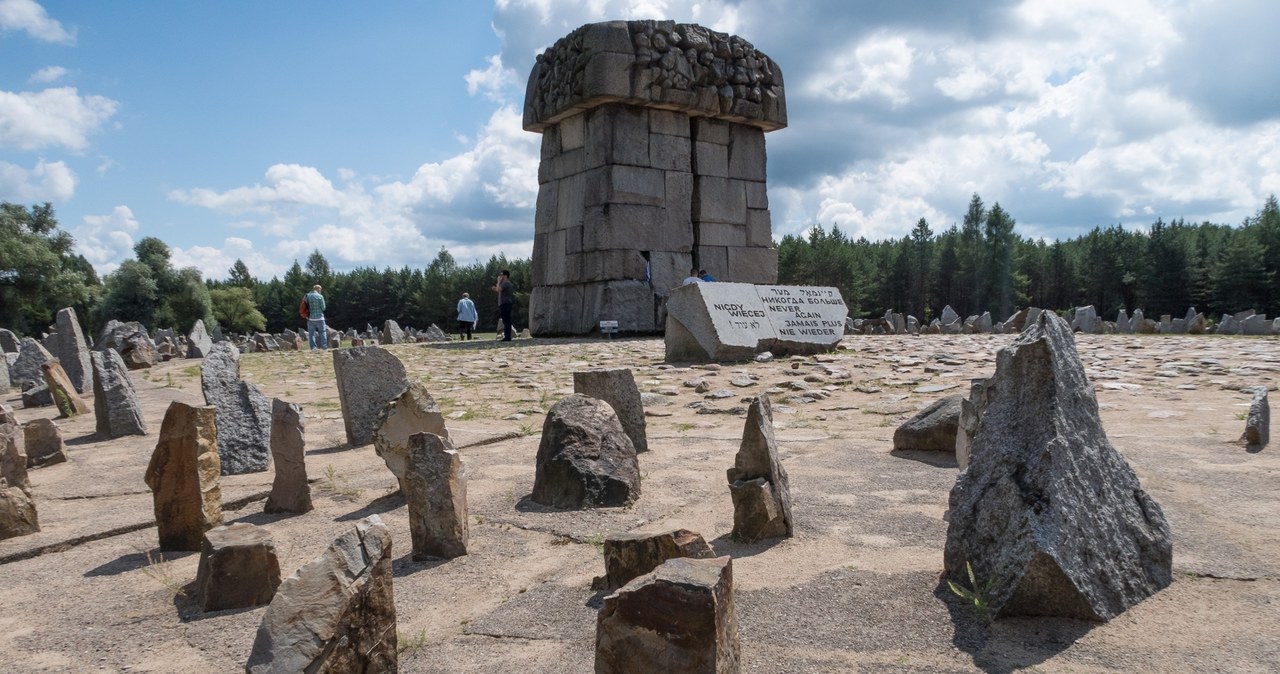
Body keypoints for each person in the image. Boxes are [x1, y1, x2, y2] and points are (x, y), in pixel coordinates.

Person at [304, 284, 328, 350]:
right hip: (320, 318)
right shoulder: (320, 296)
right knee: (322, 332)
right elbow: (323, 308)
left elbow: (304, 306)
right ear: (318, 289)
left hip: (310, 318)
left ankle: (313, 348)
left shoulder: (307, 296)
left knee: (311, 334)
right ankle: (324, 346)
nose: (320, 291)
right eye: (320, 289)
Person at [493, 269, 514, 341]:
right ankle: (507, 336)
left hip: (505, 303)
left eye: (501, 275)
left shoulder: (506, 283)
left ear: (505, 276)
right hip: (504, 303)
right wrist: (496, 286)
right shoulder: (505, 283)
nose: (500, 276)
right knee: (505, 321)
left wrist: (498, 281)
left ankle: (507, 336)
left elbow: (499, 289)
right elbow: (498, 289)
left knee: (506, 321)